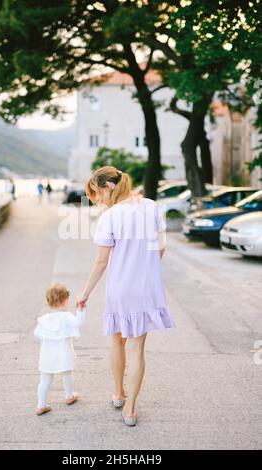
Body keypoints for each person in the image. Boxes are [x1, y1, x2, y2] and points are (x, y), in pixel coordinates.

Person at [76, 166, 175, 427]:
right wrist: (146, 269)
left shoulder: (110, 217)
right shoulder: (153, 207)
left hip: (120, 288)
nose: (97, 200)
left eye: (96, 193)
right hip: (146, 289)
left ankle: (119, 393)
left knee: (117, 340)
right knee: (137, 349)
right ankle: (130, 410)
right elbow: (161, 248)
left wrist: (84, 293)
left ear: (108, 186)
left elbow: (100, 263)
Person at [34, 283, 86, 416]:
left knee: (45, 379)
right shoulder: (66, 316)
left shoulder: (44, 319)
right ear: (64, 301)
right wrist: (81, 309)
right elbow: (79, 323)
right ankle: (69, 396)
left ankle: (41, 405)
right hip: (63, 353)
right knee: (67, 374)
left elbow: (37, 334)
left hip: (47, 355)